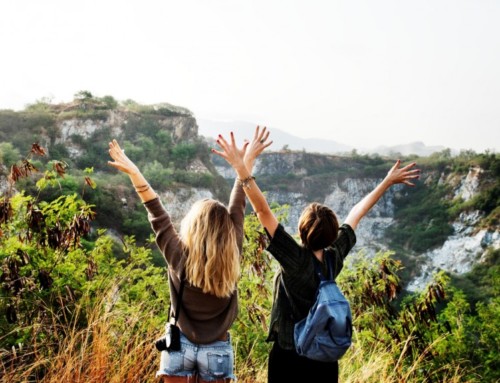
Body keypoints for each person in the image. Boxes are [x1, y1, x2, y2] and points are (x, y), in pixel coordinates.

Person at [212, 126, 421, 383]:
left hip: (289, 353)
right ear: (333, 234)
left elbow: (262, 210)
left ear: (301, 231)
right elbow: (357, 214)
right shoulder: (335, 257)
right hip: (324, 356)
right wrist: (387, 182)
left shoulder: (295, 260)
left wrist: (241, 168)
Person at [107, 128, 272, 383]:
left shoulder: (177, 255)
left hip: (178, 347)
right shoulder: (233, 248)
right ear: (228, 231)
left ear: (192, 227)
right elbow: (239, 202)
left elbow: (156, 212)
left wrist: (135, 173)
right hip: (217, 349)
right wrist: (244, 163)